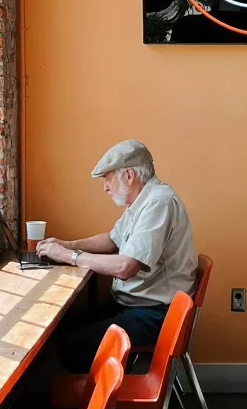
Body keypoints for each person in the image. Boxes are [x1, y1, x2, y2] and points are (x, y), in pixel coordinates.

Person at [37, 139, 197, 373]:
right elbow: (112, 239)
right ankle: (85, 400)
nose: (106, 187)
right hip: (136, 305)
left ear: (129, 175)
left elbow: (126, 267)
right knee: (61, 326)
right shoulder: (141, 202)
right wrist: (67, 244)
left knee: (73, 345)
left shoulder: (159, 203)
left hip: (156, 314)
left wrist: (69, 256)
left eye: (108, 178)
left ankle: (100, 404)